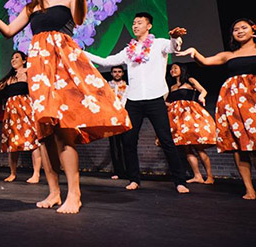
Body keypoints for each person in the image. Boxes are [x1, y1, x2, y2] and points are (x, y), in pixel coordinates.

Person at [0, 0, 131, 213]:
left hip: (64, 65)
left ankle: (75, 194)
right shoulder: (32, 6)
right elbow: (8, 31)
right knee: (45, 133)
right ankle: (53, 193)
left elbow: (81, 19)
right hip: (39, 69)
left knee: (64, 131)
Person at [83, 12, 190, 194]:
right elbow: (107, 61)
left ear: (149, 26)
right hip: (133, 100)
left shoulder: (159, 44)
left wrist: (175, 37)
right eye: (133, 23)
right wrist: (82, 53)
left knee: (166, 140)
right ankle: (134, 179)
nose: (134, 26)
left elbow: (174, 47)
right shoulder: (128, 50)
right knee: (129, 141)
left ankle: (179, 181)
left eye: (139, 23)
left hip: (155, 98)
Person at [177, 18, 256, 199]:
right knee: (240, 146)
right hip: (234, 102)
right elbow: (205, 62)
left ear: (253, 30)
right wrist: (194, 52)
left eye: (244, 27)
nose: (240, 31)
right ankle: (249, 189)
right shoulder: (229, 55)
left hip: (254, 100)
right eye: (236, 29)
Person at [0, 50, 42, 183]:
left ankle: (36, 174)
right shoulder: (10, 78)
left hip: (26, 109)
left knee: (33, 141)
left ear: (24, 60)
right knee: (13, 142)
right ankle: (13, 173)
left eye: (16, 57)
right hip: (11, 113)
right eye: (12, 58)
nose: (13, 60)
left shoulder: (29, 72)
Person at [166, 63, 216, 184]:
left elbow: (203, 91)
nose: (172, 70)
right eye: (171, 69)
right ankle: (197, 175)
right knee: (186, 148)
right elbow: (167, 101)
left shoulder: (190, 81)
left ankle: (210, 176)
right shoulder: (172, 87)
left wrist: (202, 97)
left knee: (199, 147)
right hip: (177, 118)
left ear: (182, 69)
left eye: (175, 68)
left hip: (190, 115)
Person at [107, 65, 128, 180]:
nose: (117, 74)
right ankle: (118, 171)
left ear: (123, 73)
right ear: (111, 73)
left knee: (127, 144)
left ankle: (129, 170)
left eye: (119, 72)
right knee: (114, 145)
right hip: (112, 118)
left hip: (124, 118)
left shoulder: (128, 87)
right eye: (115, 72)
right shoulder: (106, 86)